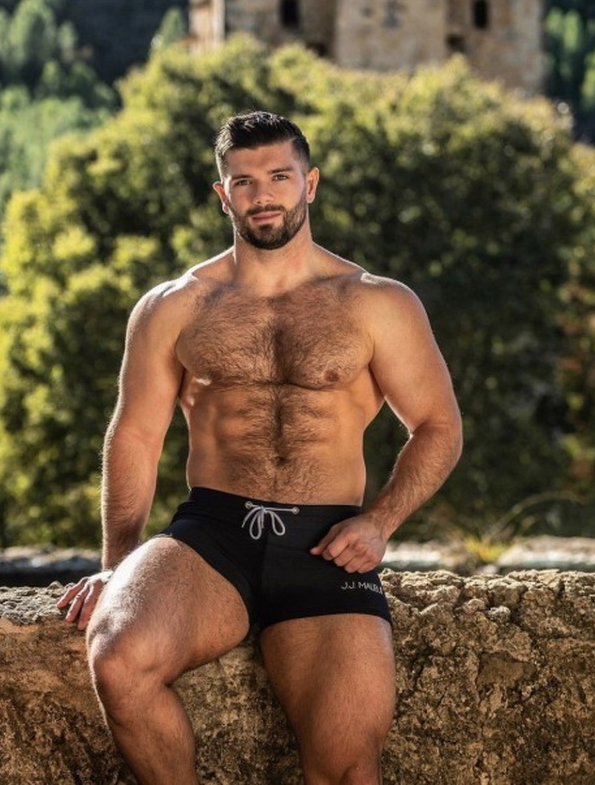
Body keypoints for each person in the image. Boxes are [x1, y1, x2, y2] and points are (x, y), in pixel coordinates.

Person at [57, 110, 462, 785]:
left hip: (326, 545)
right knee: (119, 659)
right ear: (224, 195)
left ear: (311, 184)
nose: (263, 195)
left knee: (346, 767)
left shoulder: (376, 303)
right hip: (211, 536)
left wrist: (379, 522)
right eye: (244, 182)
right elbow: (135, 436)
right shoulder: (175, 306)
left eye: (279, 176)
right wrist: (117, 566)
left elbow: (439, 426)